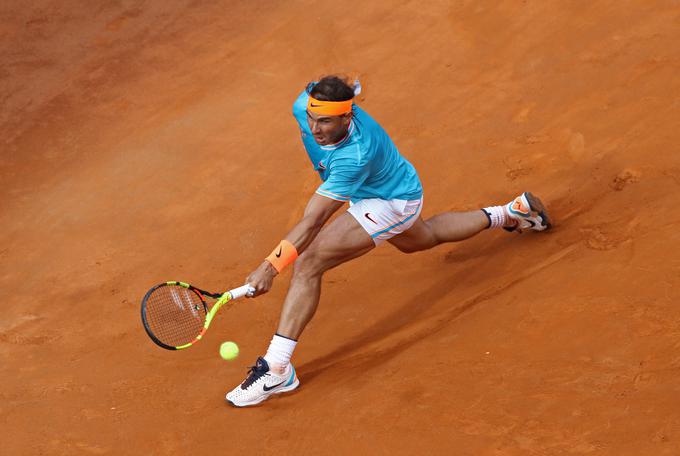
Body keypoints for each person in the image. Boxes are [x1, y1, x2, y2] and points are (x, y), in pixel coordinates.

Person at [225, 75, 551, 407]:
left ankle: (277, 368)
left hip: (390, 200)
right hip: (388, 185)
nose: (315, 128)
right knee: (421, 239)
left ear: (347, 117)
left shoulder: (355, 155)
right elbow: (322, 88)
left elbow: (313, 221)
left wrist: (271, 266)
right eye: (312, 117)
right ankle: (511, 212)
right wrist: (345, 84)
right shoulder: (306, 107)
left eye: (325, 121)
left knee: (309, 262)